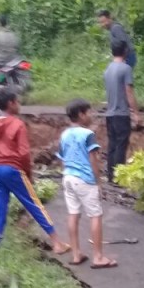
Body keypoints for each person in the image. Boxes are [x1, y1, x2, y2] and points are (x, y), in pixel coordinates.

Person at [0, 90, 69, 252]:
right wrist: (28, 174)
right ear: (11, 104)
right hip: (12, 168)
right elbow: (23, 153)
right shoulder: (17, 124)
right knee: (34, 204)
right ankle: (57, 243)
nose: (19, 104)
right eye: (17, 101)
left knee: (0, 206)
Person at [58, 99, 117, 269]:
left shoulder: (64, 134)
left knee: (73, 214)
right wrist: (98, 182)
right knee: (95, 215)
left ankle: (76, 254)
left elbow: (62, 158)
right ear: (81, 114)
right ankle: (98, 257)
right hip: (85, 179)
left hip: (68, 177)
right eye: (89, 112)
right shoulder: (87, 134)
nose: (91, 115)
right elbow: (93, 159)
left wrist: (67, 173)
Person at [103, 40, 140, 182]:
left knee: (112, 145)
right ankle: (119, 177)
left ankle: (111, 176)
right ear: (125, 51)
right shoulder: (126, 69)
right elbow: (128, 91)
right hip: (121, 113)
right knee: (121, 146)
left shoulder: (108, 69)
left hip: (110, 114)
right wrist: (135, 113)